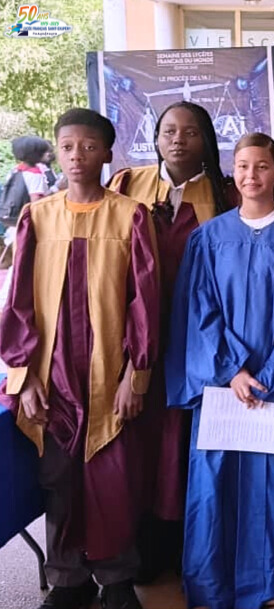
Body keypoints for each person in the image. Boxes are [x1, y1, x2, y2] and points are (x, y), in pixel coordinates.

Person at [0, 108, 160, 609]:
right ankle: (68, 579)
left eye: (89, 147)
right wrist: (23, 376)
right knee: (58, 478)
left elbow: (144, 302)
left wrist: (136, 375)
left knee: (114, 478)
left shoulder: (130, 215)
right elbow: (18, 302)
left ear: (107, 153)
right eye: (67, 147)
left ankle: (117, 578)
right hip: (52, 375)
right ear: (57, 151)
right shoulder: (38, 217)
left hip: (109, 371)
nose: (77, 156)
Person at [166, 133, 274, 609]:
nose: (251, 175)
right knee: (214, 482)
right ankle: (212, 582)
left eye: (261, 166)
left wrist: (270, 373)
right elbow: (199, 309)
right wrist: (233, 369)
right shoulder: (209, 238)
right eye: (242, 166)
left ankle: (273, 578)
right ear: (232, 172)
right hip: (222, 384)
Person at [108, 101, 235, 582]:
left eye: (190, 132)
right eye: (168, 131)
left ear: (207, 140)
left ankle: (190, 546)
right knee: (140, 441)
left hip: (196, 339)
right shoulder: (128, 184)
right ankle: (139, 546)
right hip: (136, 335)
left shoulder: (224, 192)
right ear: (156, 137)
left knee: (185, 441)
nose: (177, 139)